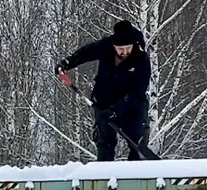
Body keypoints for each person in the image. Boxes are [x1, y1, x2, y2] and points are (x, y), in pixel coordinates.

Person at [55, 20, 154, 161]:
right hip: (104, 102)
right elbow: (86, 53)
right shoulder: (105, 46)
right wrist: (67, 63)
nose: (124, 52)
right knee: (105, 145)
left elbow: (137, 92)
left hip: (132, 105)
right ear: (114, 45)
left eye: (128, 48)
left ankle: (135, 174)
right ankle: (105, 176)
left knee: (138, 142)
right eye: (121, 49)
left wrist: (116, 110)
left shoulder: (141, 59)